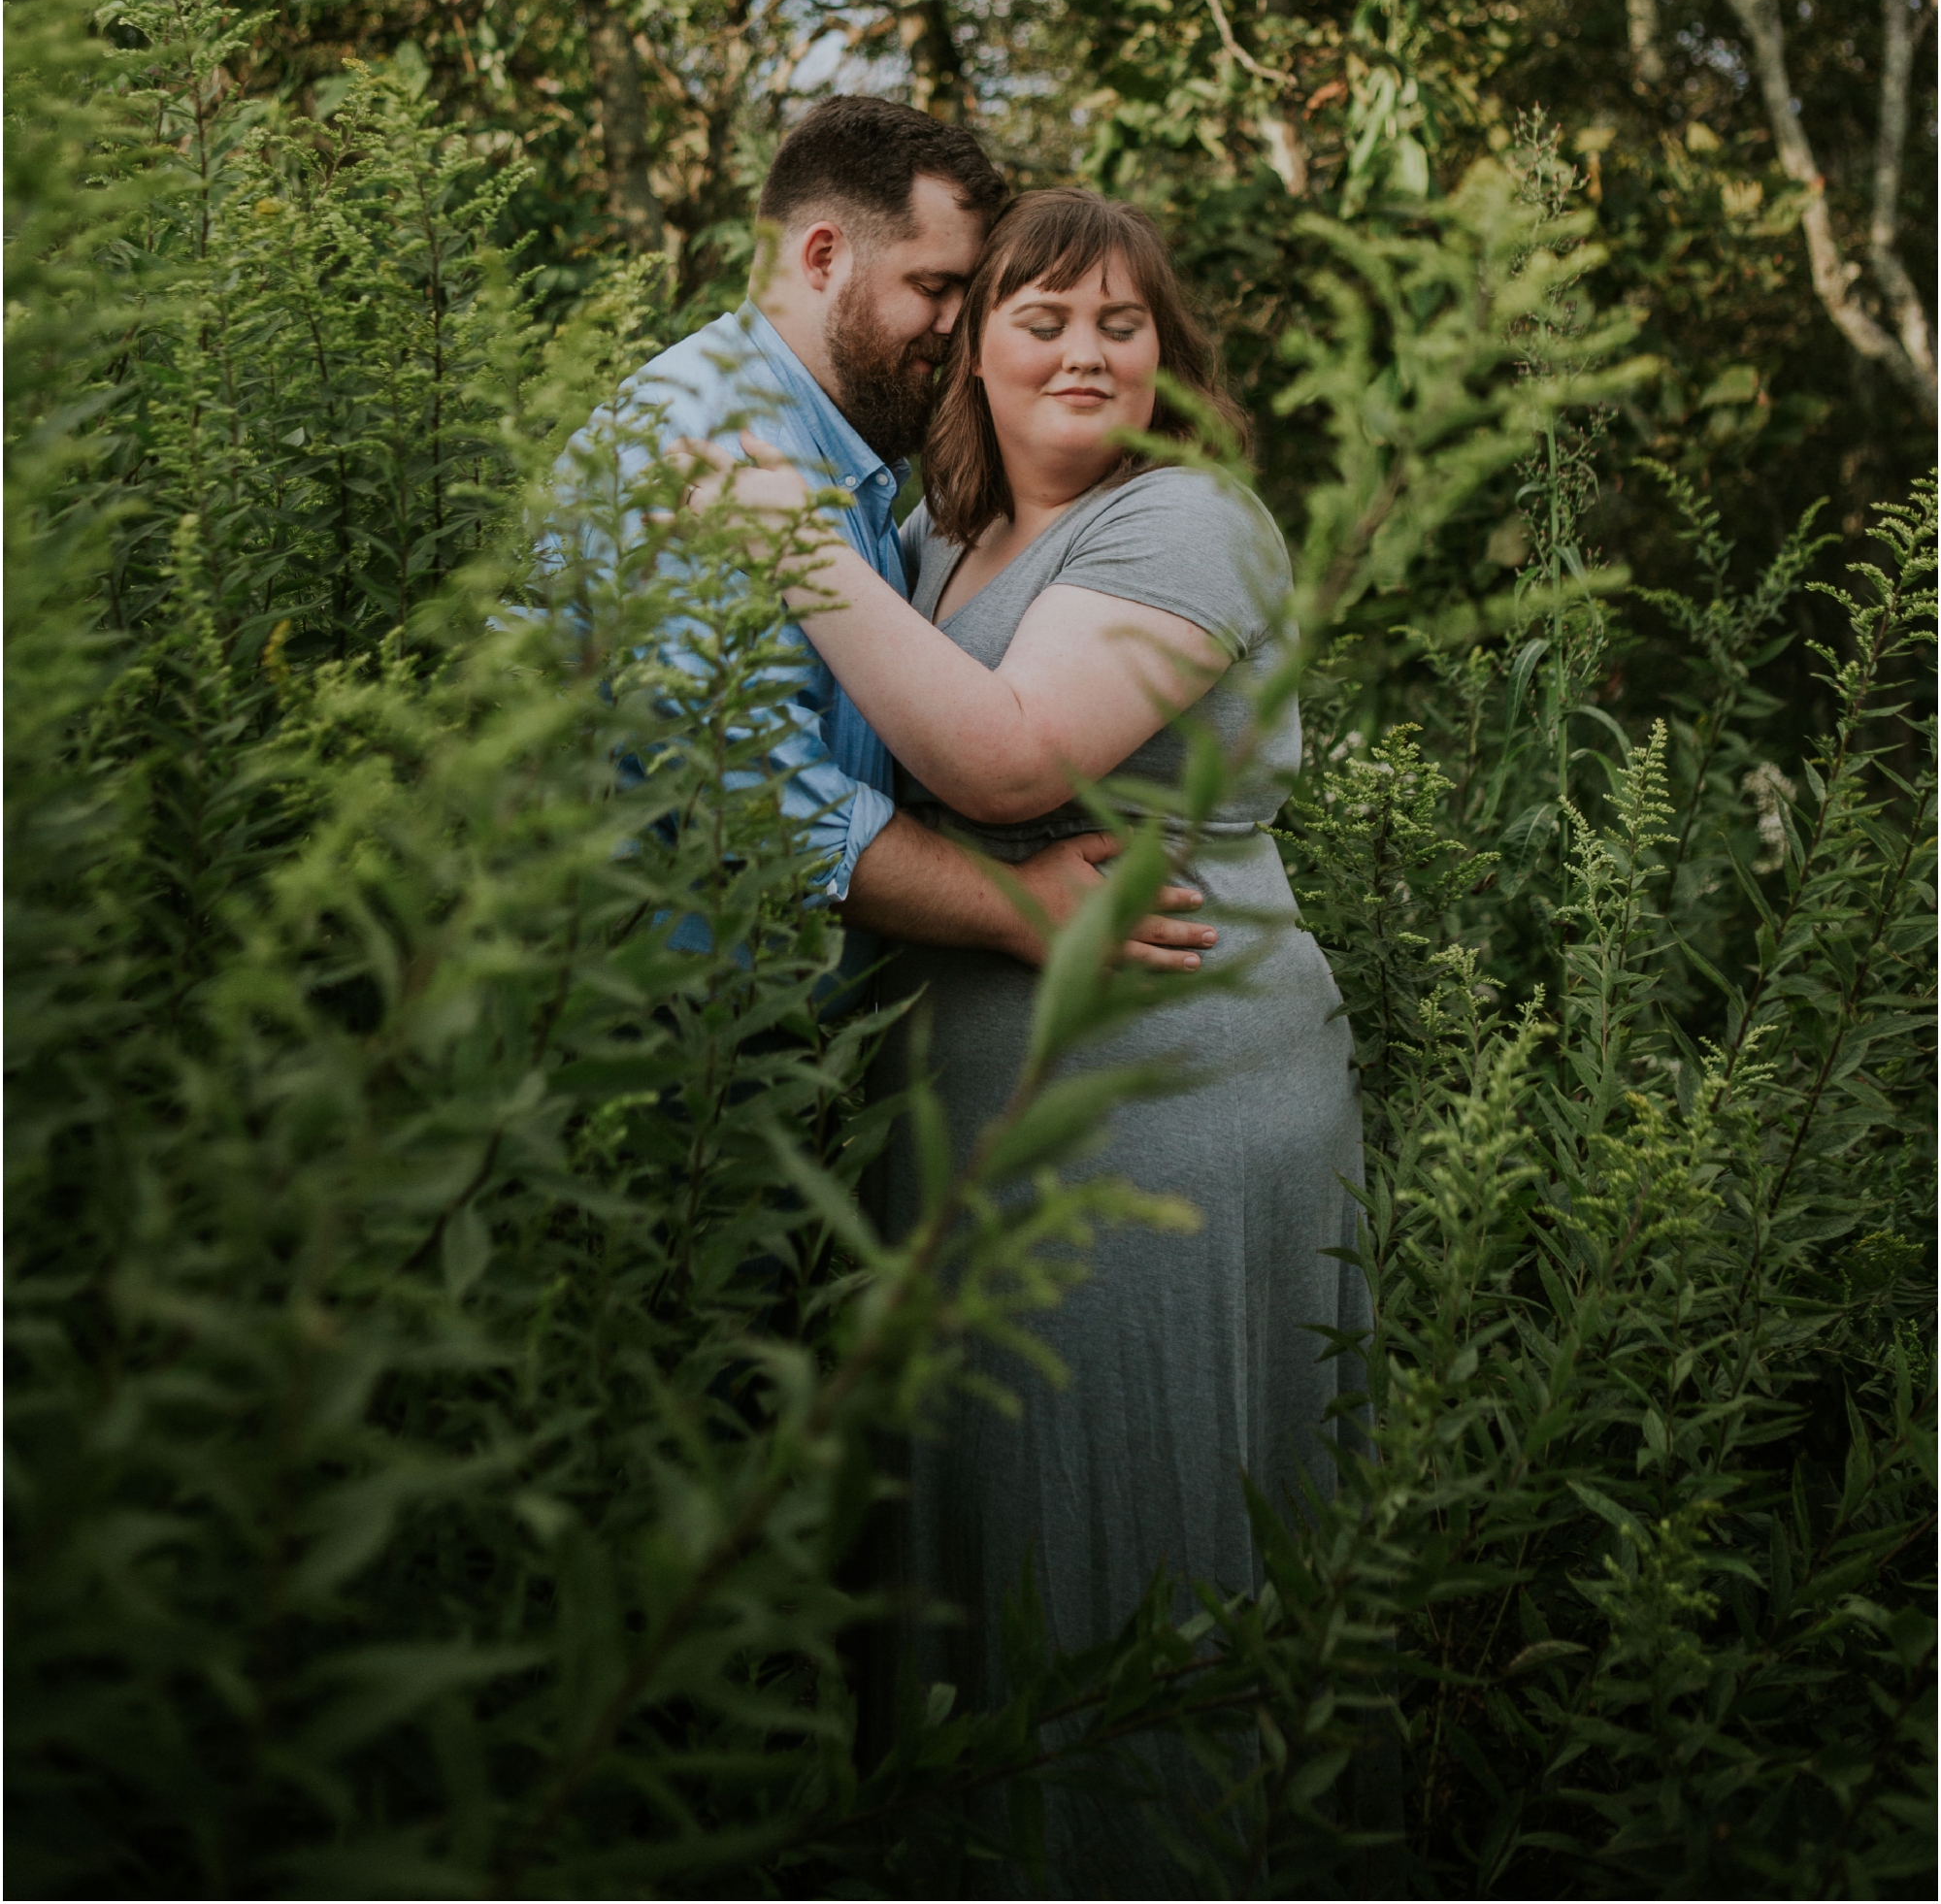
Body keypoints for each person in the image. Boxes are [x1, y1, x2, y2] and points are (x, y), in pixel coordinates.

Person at [684, 185, 1367, 1900]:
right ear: (976, 344)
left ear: (1168, 358)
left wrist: (781, 535)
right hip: (973, 1115)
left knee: (1132, 1533)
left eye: (1122, 323)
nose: (1083, 349)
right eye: (1042, 315)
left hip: (1166, 1108)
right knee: (981, 1548)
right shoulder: (933, 538)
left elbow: (999, 762)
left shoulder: (1185, 526)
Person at [543, 98, 1221, 982]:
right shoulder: (699, 443)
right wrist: (1012, 903)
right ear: (823, 256)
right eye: (934, 289)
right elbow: (744, 786)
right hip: (679, 1055)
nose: (955, 327)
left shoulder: (843, 462)